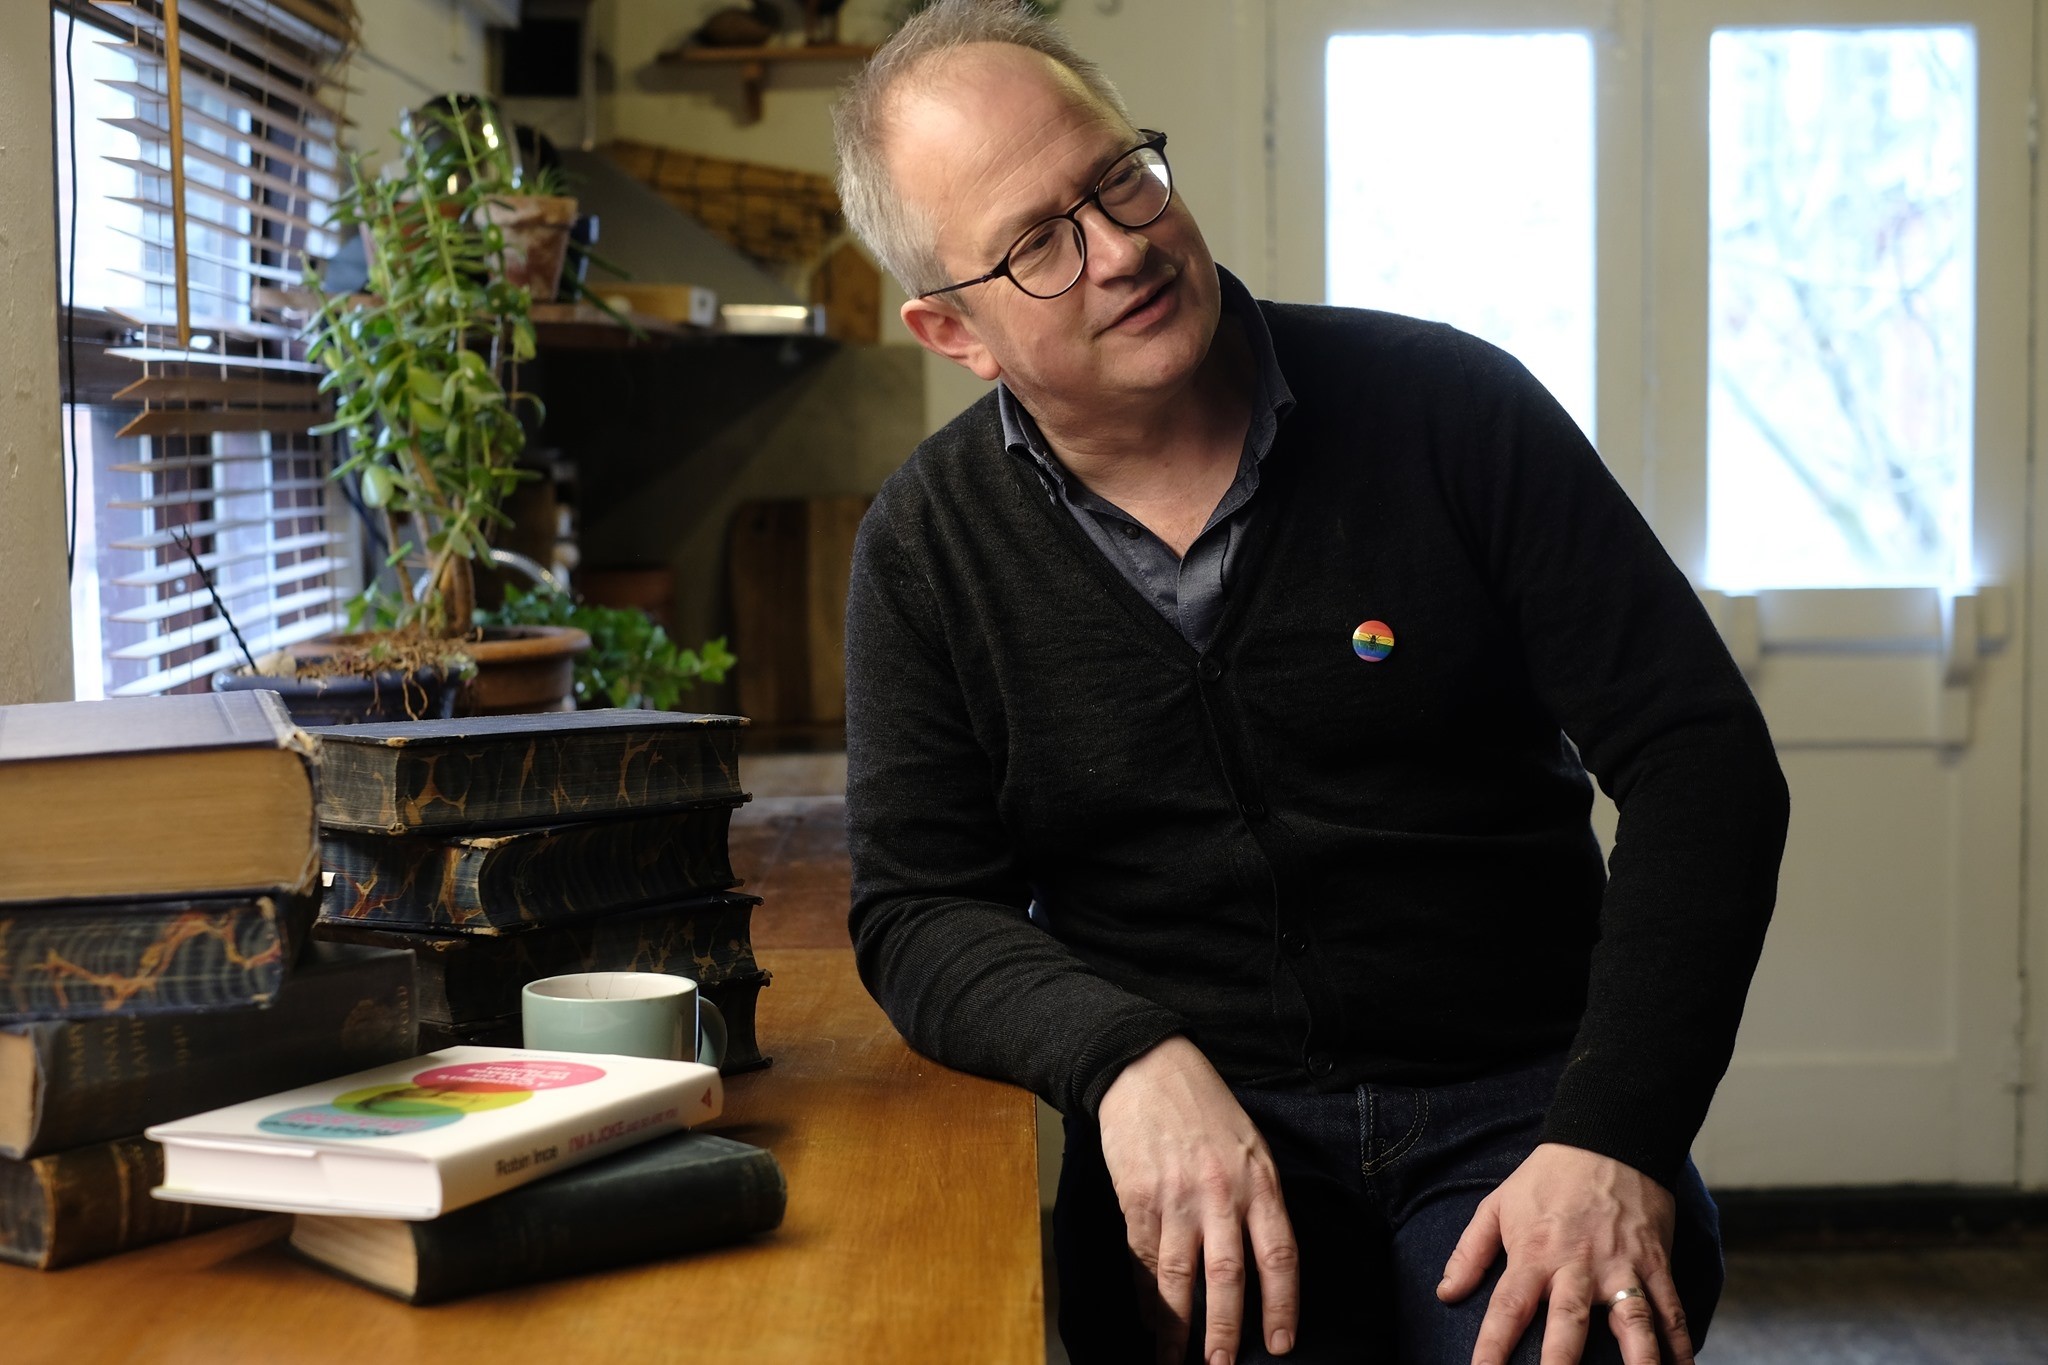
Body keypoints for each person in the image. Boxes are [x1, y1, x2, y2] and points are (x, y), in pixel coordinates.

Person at [830, 4, 1790, 1362]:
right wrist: (1122, 1057)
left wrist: (1615, 1130)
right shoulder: (926, 548)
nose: (1122, 249)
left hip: (1527, 1109)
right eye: (1040, 242)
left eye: (1121, 177)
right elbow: (920, 902)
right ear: (953, 329)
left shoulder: (1451, 409)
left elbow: (1703, 759)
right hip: (1207, 1129)